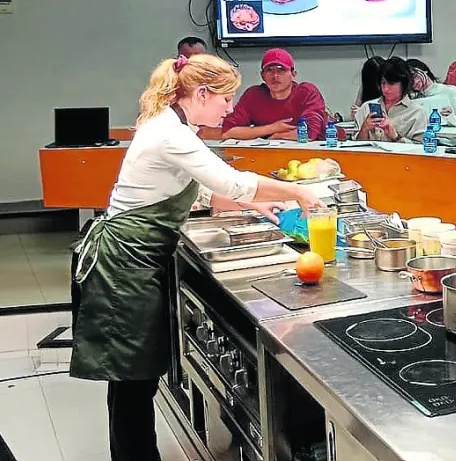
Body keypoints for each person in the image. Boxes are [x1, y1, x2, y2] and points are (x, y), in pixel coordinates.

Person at [70, 54, 323, 461]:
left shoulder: (174, 126)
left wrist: (252, 205)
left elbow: (200, 188)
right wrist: (297, 192)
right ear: (202, 93)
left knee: (134, 379)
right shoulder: (170, 132)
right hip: (123, 264)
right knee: (132, 381)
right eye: (226, 98)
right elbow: (231, 181)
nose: (229, 107)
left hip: (134, 258)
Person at [221, 48, 328, 141]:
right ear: (262, 76)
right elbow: (228, 132)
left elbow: (310, 133)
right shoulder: (253, 95)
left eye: (281, 70)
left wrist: (277, 136)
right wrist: (272, 128)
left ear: (293, 74)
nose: (275, 75)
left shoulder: (307, 92)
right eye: (269, 70)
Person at [355, 57, 428, 143]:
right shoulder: (366, 107)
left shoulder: (417, 112)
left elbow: (421, 149)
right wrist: (364, 129)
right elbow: (355, 146)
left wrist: (395, 137)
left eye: (391, 84)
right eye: (383, 83)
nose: (386, 89)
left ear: (404, 84)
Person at [407, 59, 456, 129]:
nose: (414, 82)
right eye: (410, 81)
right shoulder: (414, 100)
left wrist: (452, 118)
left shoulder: (450, 91)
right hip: (424, 137)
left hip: (450, 138)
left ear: (424, 71)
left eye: (415, 76)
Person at [352, 56, 385, 120]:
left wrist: (363, 113)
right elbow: (354, 114)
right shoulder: (364, 88)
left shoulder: (389, 88)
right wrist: (357, 113)